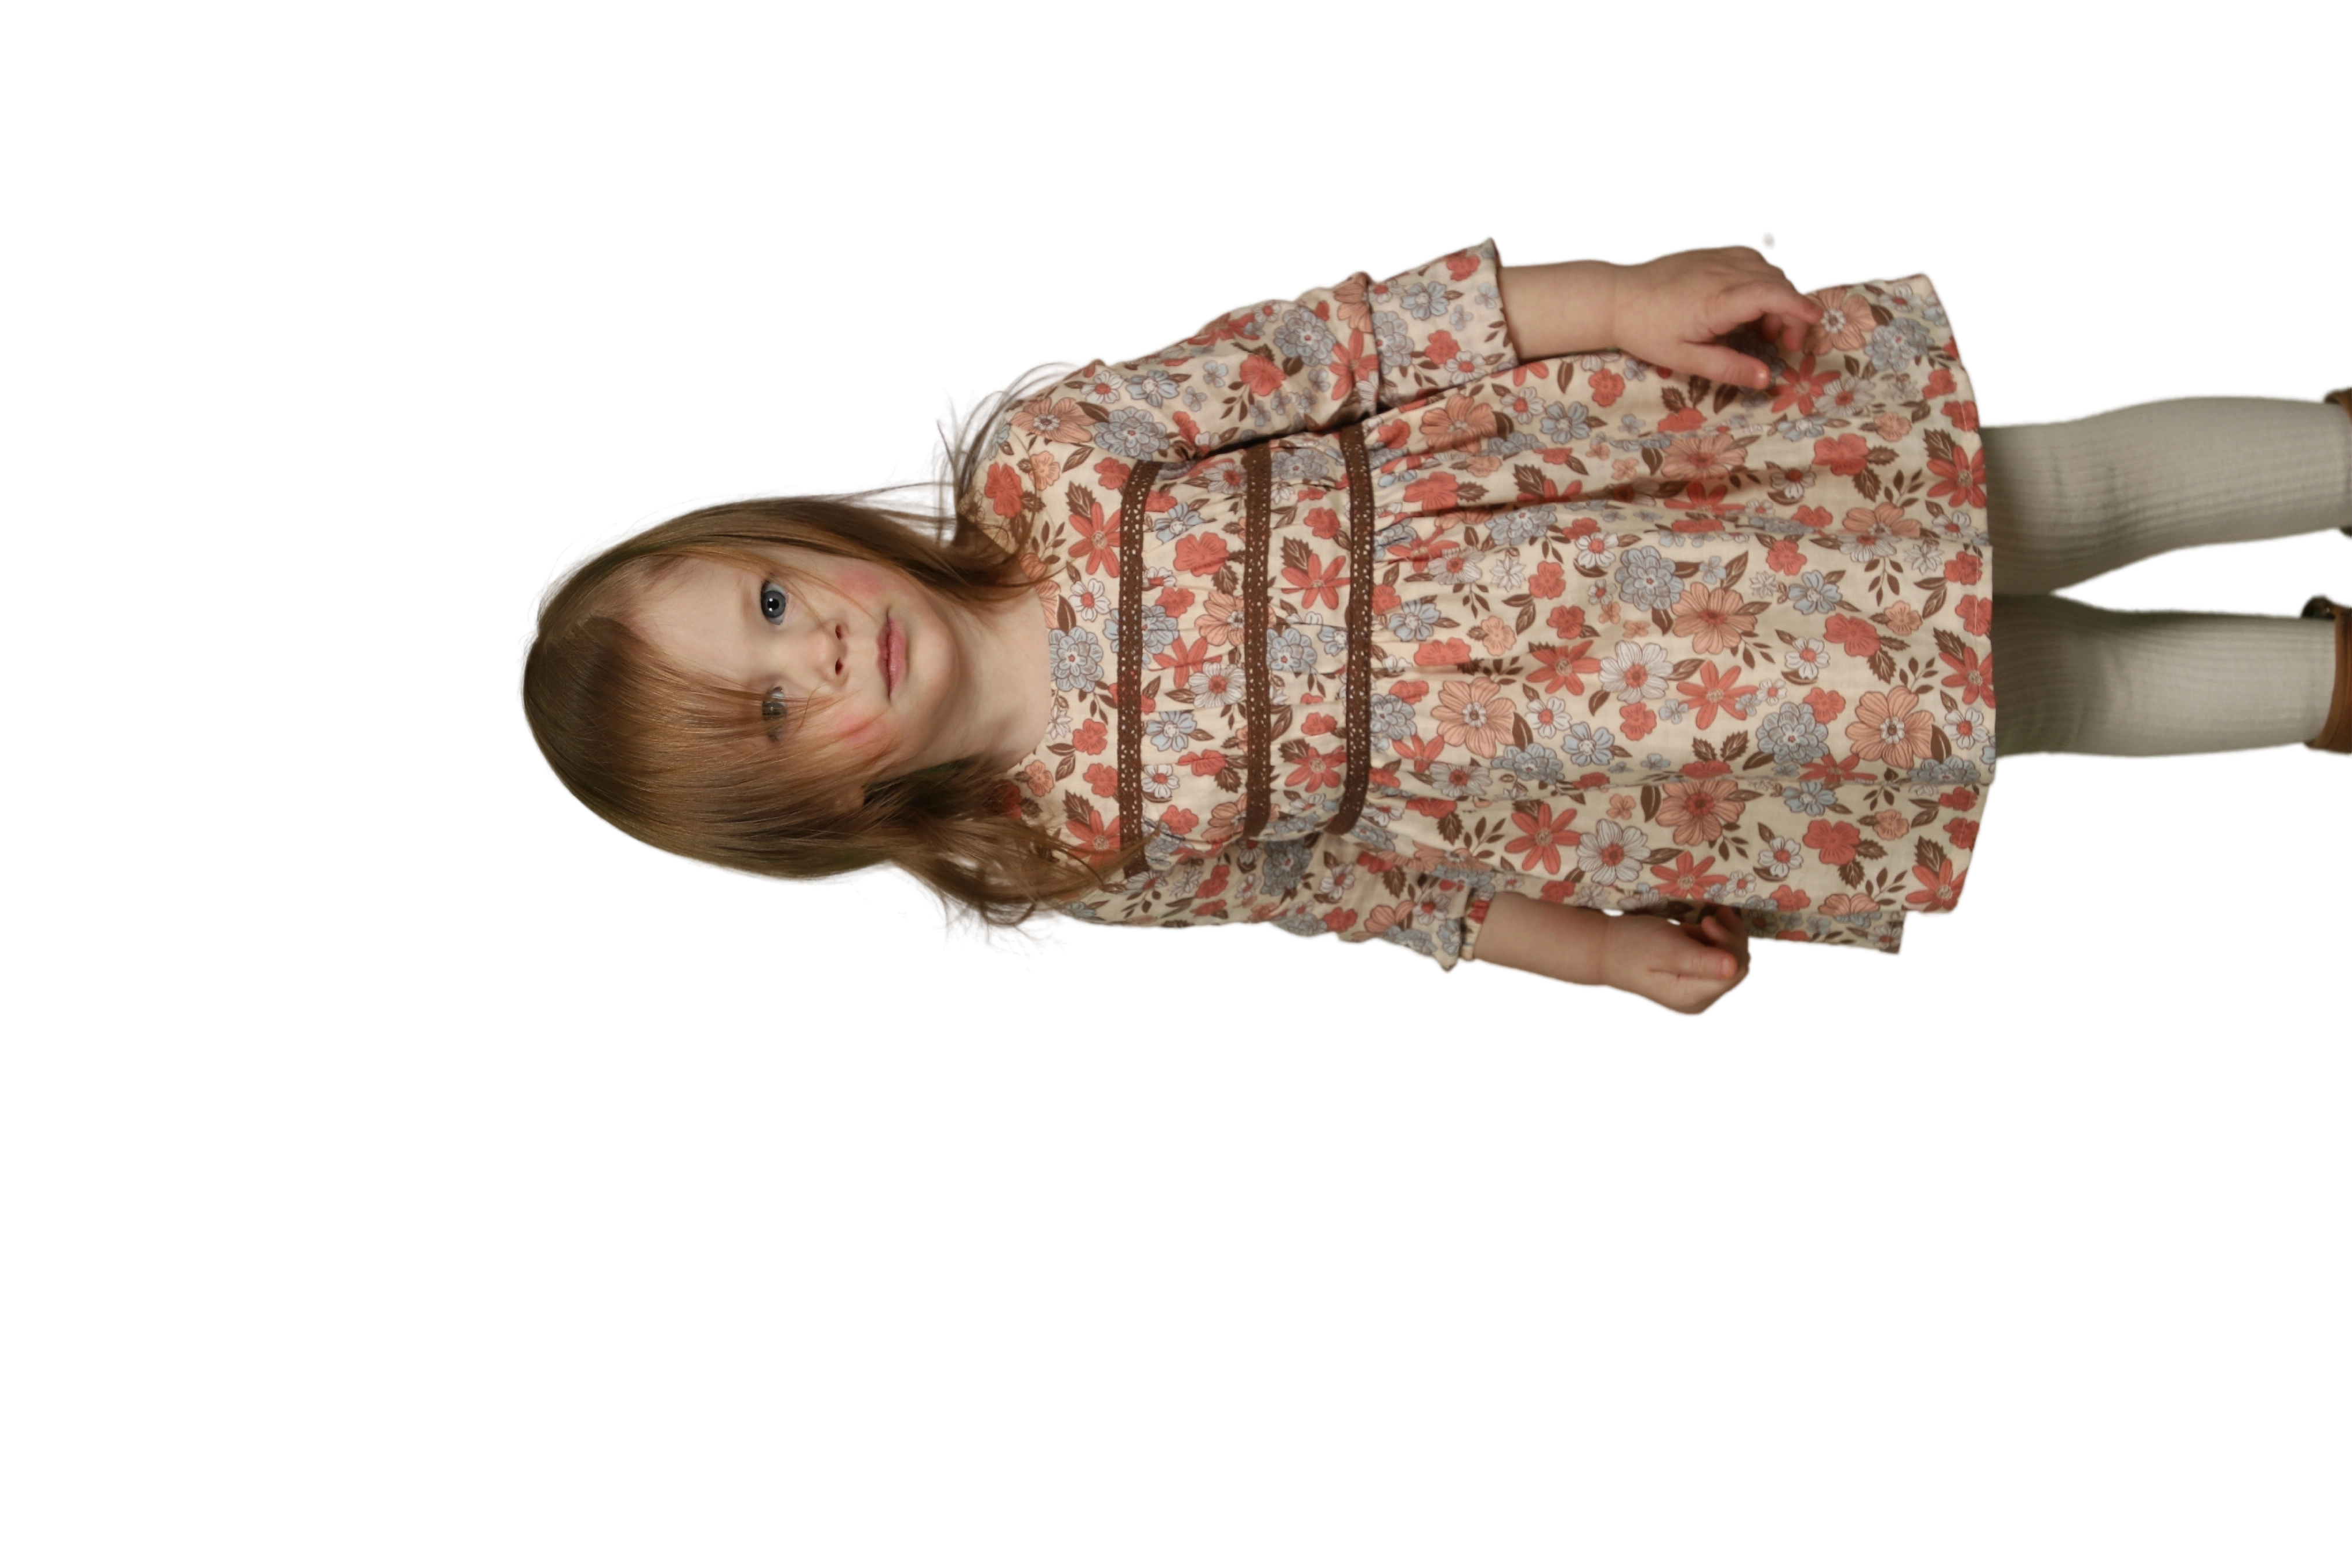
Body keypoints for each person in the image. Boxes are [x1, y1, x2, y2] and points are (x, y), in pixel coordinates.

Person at [513, 234, 2352, 1020]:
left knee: (2048, 495)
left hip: (1645, 500)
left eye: (769, 605)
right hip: (1641, 746)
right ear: (812, 820)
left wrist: (1611, 305)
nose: (817, 652)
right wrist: (1586, 954)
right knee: (2041, 702)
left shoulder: (1054, 465)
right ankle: (2323, 681)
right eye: (770, 712)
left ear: (796, 533)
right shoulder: (1060, 850)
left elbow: (1338, 346)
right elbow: (1355, 894)